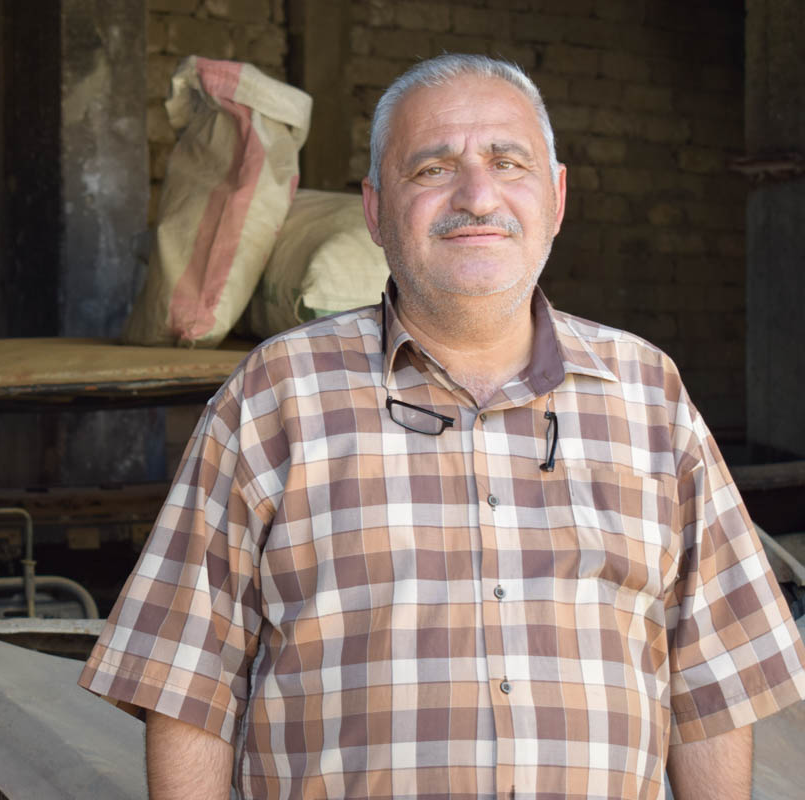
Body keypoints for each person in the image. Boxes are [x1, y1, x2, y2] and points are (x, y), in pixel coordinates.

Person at [78, 53, 805, 799]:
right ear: (374, 210)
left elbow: (715, 688)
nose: (477, 195)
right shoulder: (275, 395)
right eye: (432, 169)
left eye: (508, 162)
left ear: (556, 198)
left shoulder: (649, 391)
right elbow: (186, 688)